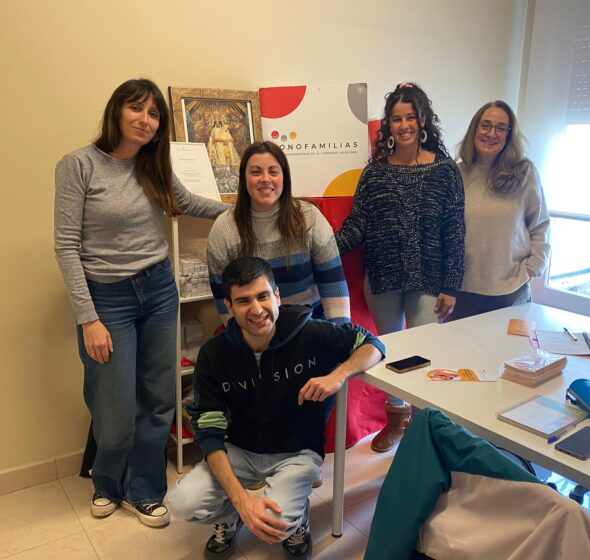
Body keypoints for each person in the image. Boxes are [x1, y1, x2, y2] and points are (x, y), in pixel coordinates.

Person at [54, 78, 227, 527]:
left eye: (153, 114)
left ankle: (145, 490)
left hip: (158, 290)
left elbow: (186, 202)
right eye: (137, 109)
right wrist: (88, 318)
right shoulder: (78, 165)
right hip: (106, 299)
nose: (145, 120)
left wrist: (245, 209)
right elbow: (66, 247)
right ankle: (107, 483)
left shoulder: (153, 166)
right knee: (113, 404)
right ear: (117, 110)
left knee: (156, 397)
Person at [168, 257, 384, 560]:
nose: (257, 310)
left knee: (276, 525)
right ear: (229, 306)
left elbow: (372, 344)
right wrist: (242, 502)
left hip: (297, 452)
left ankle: (298, 522)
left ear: (277, 296)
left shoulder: (311, 334)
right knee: (183, 503)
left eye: (263, 296)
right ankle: (229, 517)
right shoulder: (214, 354)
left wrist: (337, 376)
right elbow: (208, 431)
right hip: (240, 450)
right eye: (244, 301)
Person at [335, 83, 465, 452]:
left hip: (429, 279)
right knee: (389, 353)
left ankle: (423, 431)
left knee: (424, 356)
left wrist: (451, 285)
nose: (404, 125)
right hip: (383, 277)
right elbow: (357, 225)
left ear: (422, 120)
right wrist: (322, 248)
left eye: (410, 117)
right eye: (396, 119)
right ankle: (396, 419)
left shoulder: (445, 171)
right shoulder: (375, 172)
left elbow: (455, 229)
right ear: (388, 126)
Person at [207, 141, 350, 325]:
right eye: (256, 172)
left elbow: (333, 284)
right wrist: (245, 339)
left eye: (273, 172)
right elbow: (223, 301)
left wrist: (340, 334)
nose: (265, 179)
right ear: (244, 179)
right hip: (255, 330)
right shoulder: (223, 230)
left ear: (284, 177)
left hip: (311, 325)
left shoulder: (310, 218)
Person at [450, 100, 550, 320]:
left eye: (501, 128)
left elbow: (541, 226)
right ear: (475, 129)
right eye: (485, 125)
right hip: (463, 291)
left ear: (509, 134)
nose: (491, 133)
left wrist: (533, 267)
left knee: (509, 345)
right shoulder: (456, 174)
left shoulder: (525, 173)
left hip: (512, 290)